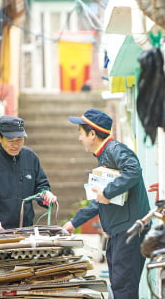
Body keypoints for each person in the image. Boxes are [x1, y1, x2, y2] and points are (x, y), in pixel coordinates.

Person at [62, 108, 151, 299]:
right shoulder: (105, 156)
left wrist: (108, 192)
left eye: (81, 133)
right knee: (120, 287)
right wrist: (73, 223)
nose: (79, 138)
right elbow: (100, 201)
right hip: (120, 231)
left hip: (129, 230)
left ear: (92, 134)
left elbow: (133, 171)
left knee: (123, 289)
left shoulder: (115, 150)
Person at [0, 115, 57, 235]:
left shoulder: (31, 157)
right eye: (11, 141)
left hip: (25, 230)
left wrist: (45, 195)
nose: (16, 145)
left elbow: (41, 185)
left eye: (19, 140)